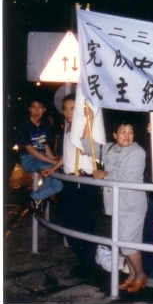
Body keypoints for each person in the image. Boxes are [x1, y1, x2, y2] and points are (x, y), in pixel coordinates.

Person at [83, 108, 148, 293]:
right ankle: (132, 275)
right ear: (115, 134)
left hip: (132, 206)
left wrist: (104, 174)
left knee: (128, 243)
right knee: (122, 243)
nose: (127, 135)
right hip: (115, 205)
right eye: (122, 131)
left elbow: (125, 176)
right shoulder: (110, 148)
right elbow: (87, 146)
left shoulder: (138, 152)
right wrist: (89, 119)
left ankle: (141, 274)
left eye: (130, 131)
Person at [42, 94, 98, 274]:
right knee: (69, 222)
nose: (68, 112)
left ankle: (89, 262)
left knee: (83, 222)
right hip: (71, 181)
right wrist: (54, 169)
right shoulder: (68, 128)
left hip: (82, 180)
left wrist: (90, 120)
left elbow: (84, 150)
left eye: (72, 108)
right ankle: (85, 260)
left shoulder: (87, 127)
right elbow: (67, 154)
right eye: (65, 108)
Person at [16, 97, 63, 214]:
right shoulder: (24, 126)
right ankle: (44, 196)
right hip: (28, 159)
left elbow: (44, 144)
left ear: (44, 109)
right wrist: (52, 162)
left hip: (42, 158)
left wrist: (54, 160)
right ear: (29, 109)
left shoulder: (45, 124)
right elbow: (31, 150)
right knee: (54, 174)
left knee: (57, 181)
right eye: (33, 107)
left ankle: (31, 198)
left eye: (40, 107)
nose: (37, 111)